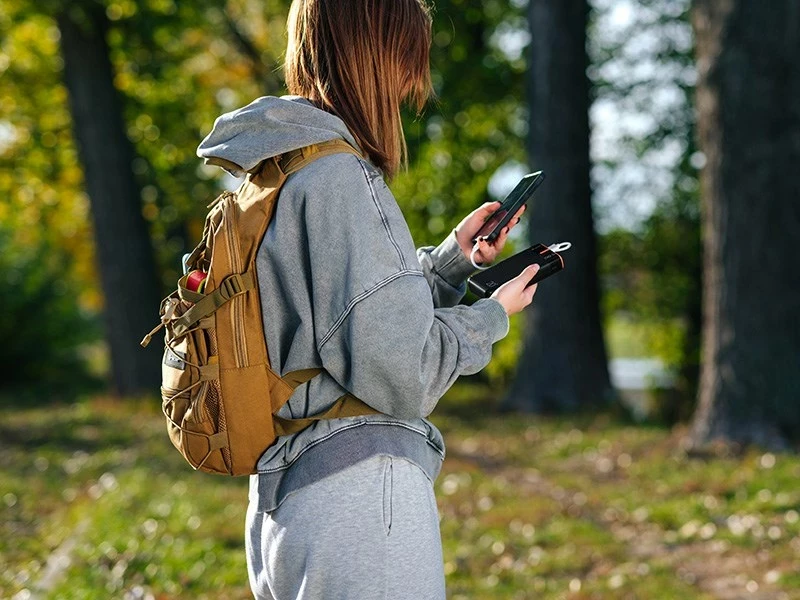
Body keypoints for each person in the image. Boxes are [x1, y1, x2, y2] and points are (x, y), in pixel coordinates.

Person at [196, 0, 539, 597]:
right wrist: (491, 316)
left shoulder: (279, 171)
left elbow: (345, 323)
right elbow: (402, 373)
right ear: (374, 57)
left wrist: (454, 261)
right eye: (407, 59)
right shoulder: (341, 179)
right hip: (357, 497)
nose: (412, 84)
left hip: (289, 501)